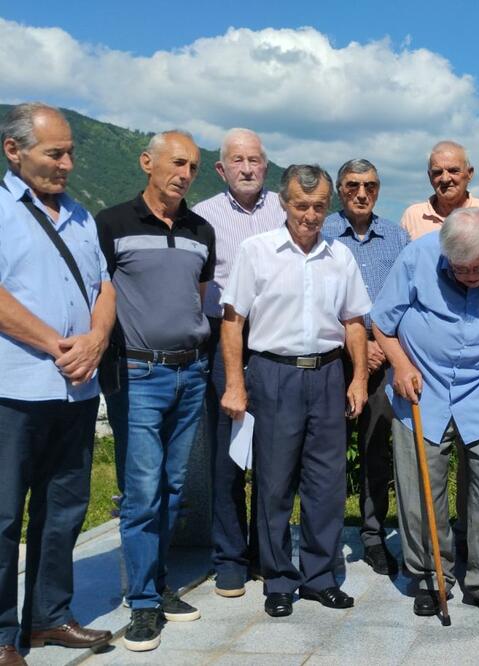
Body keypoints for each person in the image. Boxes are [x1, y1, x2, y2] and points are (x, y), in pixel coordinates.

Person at [371, 207, 479, 621]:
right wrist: (401, 365)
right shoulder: (418, 256)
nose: (471, 277)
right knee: (418, 491)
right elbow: (382, 323)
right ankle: (431, 578)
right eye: (461, 270)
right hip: (423, 387)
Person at [220, 165, 371, 619]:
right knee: (273, 482)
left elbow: (355, 322)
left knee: (326, 484)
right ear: (284, 203)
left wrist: (359, 376)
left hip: (327, 375)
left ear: (329, 206)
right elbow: (234, 321)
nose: (310, 215)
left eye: (319, 206)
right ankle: (279, 578)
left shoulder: (340, 256)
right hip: (273, 374)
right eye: (301, 205)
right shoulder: (256, 251)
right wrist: (235, 383)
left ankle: (320, 577)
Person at [0, 103, 114, 664]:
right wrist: (56, 344)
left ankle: (47, 618)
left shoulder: (81, 216)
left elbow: (103, 286)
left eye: (71, 152)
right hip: (15, 389)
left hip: (76, 389)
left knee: (63, 510)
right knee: (3, 516)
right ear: (14, 151)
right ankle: (1, 637)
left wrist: (95, 338)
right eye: (55, 153)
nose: (67, 163)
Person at [97, 130, 215, 652]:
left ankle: (157, 582)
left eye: (191, 166)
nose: (184, 173)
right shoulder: (113, 223)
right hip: (137, 375)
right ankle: (142, 602)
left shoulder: (201, 230)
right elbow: (97, 295)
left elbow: (198, 298)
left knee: (171, 487)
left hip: (191, 373)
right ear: (146, 162)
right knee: (142, 490)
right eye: (175, 162)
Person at [191, 128, 284, 598]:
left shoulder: (283, 209)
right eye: (237, 161)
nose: (247, 168)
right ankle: (229, 557)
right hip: (222, 342)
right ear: (221, 168)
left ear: (266, 165)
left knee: (271, 454)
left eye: (255, 159)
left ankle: (268, 554)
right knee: (228, 454)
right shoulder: (202, 217)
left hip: (273, 346)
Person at [320, 159, 408, 576]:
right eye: (352, 185)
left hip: (384, 358)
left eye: (370, 185)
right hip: (332, 358)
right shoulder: (321, 234)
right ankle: (326, 538)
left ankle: (373, 536)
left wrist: (381, 347)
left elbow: (410, 299)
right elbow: (312, 300)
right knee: (328, 452)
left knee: (376, 450)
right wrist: (353, 342)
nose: (361, 193)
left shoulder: (397, 236)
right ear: (340, 189)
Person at [400, 141, 479, 240]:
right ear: (429, 176)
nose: (445, 179)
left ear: (469, 174)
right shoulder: (413, 216)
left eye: (453, 171)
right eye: (437, 172)